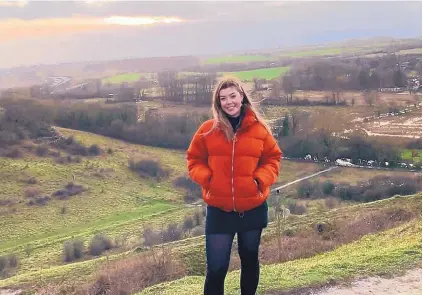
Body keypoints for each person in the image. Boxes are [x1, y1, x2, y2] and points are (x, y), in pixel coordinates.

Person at [186, 76, 283, 295]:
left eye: (233, 96)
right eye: (223, 98)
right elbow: (193, 160)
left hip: (252, 208)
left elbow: (273, 158)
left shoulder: (259, 130)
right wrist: (208, 179)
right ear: (218, 103)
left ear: (242, 97)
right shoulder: (207, 130)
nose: (229, 102)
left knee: (249, 261)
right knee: (217, 268)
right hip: (219, 211)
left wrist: (259, 180)